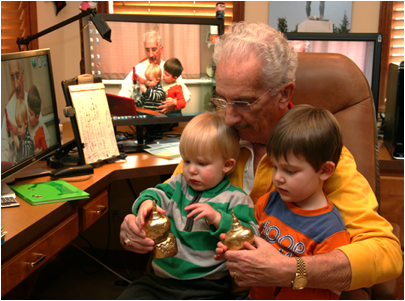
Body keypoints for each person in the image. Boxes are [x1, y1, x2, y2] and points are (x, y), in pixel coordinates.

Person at [120, 22, 402, 295]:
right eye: (222, 100)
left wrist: (293, 270)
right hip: (191, 283)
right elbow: (170, 198)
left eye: (243, 102)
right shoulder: (213, 142)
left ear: (284, 94)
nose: (229, 117)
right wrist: (137, 223)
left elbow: (385, 252)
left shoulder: (319, 154)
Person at [118, 113, 258, 300]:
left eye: (202, 163)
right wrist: (145, 204)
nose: (192, 169)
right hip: (160, 279)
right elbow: (155, 193)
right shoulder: (178, 184)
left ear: (227, 165)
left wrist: (217, 218)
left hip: (207, 284)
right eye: (187, 161)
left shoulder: (236, 198)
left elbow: (251, 234)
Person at [220, 105, 351, 300]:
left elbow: (329, 287)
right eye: (275, 166)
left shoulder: (331, 232)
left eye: (290, 171)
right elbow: (252, 237)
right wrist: (236, 249)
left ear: (324, 171)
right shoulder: (269, 201)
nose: (278, 178)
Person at [119, 30, 191, 114]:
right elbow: (126, 89)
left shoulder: (170, 69)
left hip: (167, 115)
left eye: (154, 49)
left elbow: (186, 95)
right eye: (147, 50)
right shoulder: (138, 69)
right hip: (146, 114)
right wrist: (121, 105)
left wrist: (174, 104)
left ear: (161, 49)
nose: (150, 54)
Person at [1, 60, 27, 164]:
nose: (16, 85)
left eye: (17, 75)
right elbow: (4, 144)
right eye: (12, 77)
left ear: (23, 74)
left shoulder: (31, 101)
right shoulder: (9, 109)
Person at [27, 85, 50, 154]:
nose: (28, 116)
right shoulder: (28, 125)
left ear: (37, 117)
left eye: (31, 114)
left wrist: (40, 151)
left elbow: (47, 143)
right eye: (28, 111)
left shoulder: (41, 128)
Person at [13, 98, 34, 164]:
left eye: (20, 127)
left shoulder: (28, 138)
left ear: (25, 124)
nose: (18, 130)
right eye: (17, 126)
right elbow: (18, 156)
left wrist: (19, 145)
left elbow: (27, 153)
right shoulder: (20, 138)